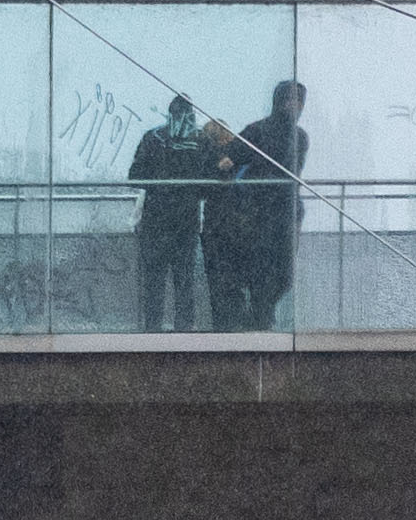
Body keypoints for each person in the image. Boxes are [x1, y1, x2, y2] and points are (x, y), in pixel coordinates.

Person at [207, 79, 309, 332]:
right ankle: (260, 316)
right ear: (278, 102)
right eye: (289, 100)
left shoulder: (300, 136)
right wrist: (224, 165)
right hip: (259, 212)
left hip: (287, 210)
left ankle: (261, 313)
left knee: (285, 275)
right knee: (262, 269)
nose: (294, 106)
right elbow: (228, 157)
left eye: (299, 101)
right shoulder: (256, 131)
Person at [126, 93, 217, 332]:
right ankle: (184, 329)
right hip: (185, 219)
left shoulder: (154, 137)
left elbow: (135, 175)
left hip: (156, 218)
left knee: (155, 279)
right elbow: (210, 182)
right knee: (184, 277)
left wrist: (162, 182)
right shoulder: (201, 141)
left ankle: (153, 327)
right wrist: (188, 186)